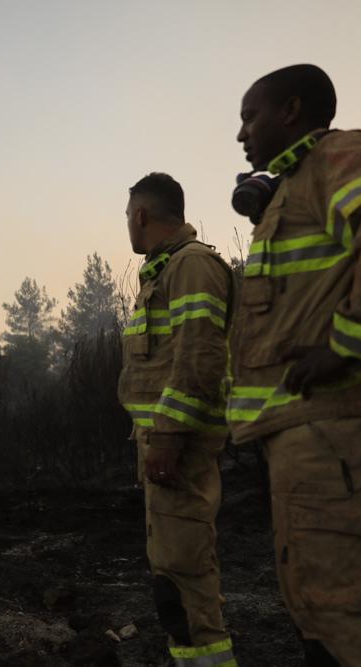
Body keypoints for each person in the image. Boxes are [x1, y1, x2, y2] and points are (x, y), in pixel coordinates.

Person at [229, 64, 361, 666]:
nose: (241, 135)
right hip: (313, 431)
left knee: (347, 611)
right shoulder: (298, 187)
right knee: (319, 604)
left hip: (339, 424)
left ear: (291, 111)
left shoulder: (340, 155)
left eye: (250, 116)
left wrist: (347, 345)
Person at [118, 173, 237, 666]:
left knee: (184, 581)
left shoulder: (192, 267)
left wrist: (166, 436)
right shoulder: (164, 271)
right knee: (171, 578)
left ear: (142, 215)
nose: (126, 224)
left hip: (177, 450)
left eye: (128, 215)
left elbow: (200, 357)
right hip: (161, 448)